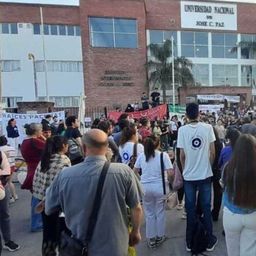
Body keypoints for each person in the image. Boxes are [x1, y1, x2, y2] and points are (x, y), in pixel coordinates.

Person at [45, 129, 143, 256]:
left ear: (84, 147)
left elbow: (49, 208)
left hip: (80, 247)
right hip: (116, 246)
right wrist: (136, 231)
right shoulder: (123, 172)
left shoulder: (65, 175)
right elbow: (136, 208)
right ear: (107, 147)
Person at [177, 103, 217, 252]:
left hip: (189, 176)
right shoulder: (207, 128)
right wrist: (208, 166)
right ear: (199, 114)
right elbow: (212, 152)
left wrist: (185, 169)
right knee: (206, 208)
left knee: (190, 208)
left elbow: (182, 155)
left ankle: (190, 241)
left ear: (186, 115)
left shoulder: (182, 130)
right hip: (205, 174)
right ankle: (209, 240)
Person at [33, 136, 71, 256]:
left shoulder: (44, 159)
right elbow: (66, 184)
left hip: (43, 203)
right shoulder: (64, 161)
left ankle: (48, 252)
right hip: (59, 204)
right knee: (62, 233)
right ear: (63, 146)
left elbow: (36, 182)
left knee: (48, 232)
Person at [134, 136, 173, 248]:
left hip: (145, 188)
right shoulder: (163, 155)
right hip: (160, 187)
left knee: (149, 213)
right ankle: (160, 236)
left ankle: (151, 238)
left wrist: (141, 179)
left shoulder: (142, 156)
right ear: (158, 144)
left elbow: (134, 171)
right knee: (160, 212)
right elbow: (170, 173)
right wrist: (170, 183)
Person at [222, 135, 256, 256]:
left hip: (231, 214)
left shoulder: (228, 167)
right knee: (250, 251)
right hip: (253, 214)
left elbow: (223, 186)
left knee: (232, 251)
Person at [21, 123, 46, 232]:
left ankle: (35, 219)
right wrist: (44, 138)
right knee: (38, 197)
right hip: (37, 170)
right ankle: (36, 223)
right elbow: (50, 146)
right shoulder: (34, 141)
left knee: (35, 196)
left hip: (32, 169)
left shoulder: (25, 141)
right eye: (40, 129)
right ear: (36, 131)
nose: (42, 131)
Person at [0, 150, 20, 252]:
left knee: (5, 215)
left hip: (2, 189)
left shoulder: (0, 153)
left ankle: (7, 241)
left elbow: (7, 170)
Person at [0, 136, 18, 203]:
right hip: (12, 166)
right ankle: (15, 195)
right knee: (10, 182)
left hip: (4, 168)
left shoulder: (1, 150)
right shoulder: (12, 148)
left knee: (4, 183)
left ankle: (8, 198)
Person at [211, 127, 223, 222]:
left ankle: (201, 213)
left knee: (204, 192)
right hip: (217, 170)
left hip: (208, 170)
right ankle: (215, 213)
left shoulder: (207, 144)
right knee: (217, 193)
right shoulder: (220, 144)